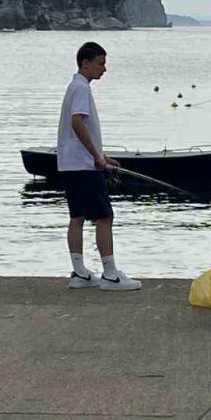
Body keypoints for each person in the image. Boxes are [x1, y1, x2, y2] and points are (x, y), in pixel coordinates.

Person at [58, 41, 140, 291]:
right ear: (85, 63)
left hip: (70, 163)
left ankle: (80, 273)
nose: (104, 69)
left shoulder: (74, 86)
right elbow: (77, 123)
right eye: (100, 63)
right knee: (105, 217)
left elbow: (77, 129)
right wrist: (97, 157)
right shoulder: (82, 88)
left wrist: (102, 155)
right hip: (83, 166)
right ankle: (110, 275)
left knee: (77, 217)